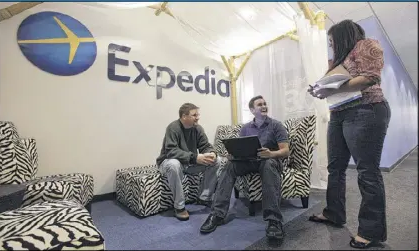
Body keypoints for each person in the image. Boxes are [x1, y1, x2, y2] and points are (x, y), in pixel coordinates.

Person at [307, 20, 391, 249]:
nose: (331, 46)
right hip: (339, 115)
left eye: (333, 41)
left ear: (344, 36)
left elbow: (371, 77)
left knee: (366, 171)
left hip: (367, 110)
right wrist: (319, 90)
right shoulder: (338, 61)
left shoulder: (365, 45)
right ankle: (334, 213)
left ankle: (371, 232)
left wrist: (332, 88)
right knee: (335, 167)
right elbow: (332, 87)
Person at [199, 95, 290, 241]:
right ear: (252, 110)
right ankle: (217, 214)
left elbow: (285, 151)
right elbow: (241, 148)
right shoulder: (246, 128)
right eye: (260, 104)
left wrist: (271, 153)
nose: (264, 106)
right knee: (229, 165)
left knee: (268, 165)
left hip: (269, 161)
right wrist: (233, 155)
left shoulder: (276, 125)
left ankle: (274, 220)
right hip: (248, 161)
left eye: (265, 103)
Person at [156, 103, 221, 221]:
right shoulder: (173, 127)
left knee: (217, 161)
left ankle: (204, 198)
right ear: (184, 116)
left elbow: (205, 146)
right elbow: (171, 151)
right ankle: (179, 206)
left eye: (198, 114)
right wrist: (195, 157)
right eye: (194, 115)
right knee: (174, 164)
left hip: (188, 163)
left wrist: (212, 153)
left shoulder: (198, 128)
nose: (198, 117)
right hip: (169, 162)